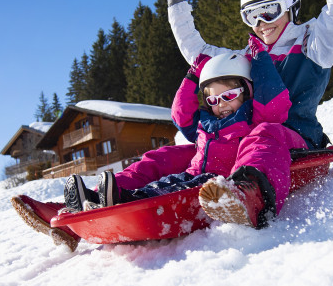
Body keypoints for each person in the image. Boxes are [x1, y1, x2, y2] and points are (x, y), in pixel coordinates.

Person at [12, 0, 333, 246]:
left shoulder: (315, 43)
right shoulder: (248, 57)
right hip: (237, 140)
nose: (261, 23)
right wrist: (177, 7)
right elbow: (198, 54)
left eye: (269, 10)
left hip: (294, 141)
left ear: (291, 4)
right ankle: (88, 202)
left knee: (264, 133)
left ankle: (250, 197)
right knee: (175, 154)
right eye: (250, 15)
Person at [67, 49, 290, 213]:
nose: (221, 104)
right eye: (213, 99)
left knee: (174, 190)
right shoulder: (206, 123)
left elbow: (274, 104)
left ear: (248, 91)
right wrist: (193, 75)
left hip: (223, 182)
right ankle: (105, 195)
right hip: (195, 175)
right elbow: (181, 114)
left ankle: (250, 195)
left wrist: (259, 58)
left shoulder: (254, 118)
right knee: (163, 171)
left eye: (229, 96)